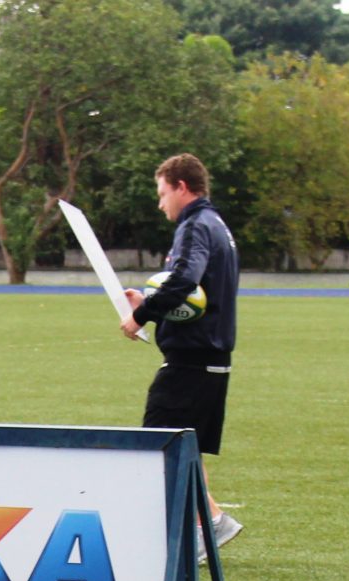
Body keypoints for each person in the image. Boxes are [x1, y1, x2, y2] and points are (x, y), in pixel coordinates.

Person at [119, 152, 241, 548]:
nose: (160, 203)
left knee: (161, 446)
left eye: (162, 193)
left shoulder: (194, 225)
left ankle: (196, 533)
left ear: (181, 187)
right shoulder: (216, 224)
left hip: (192, 360)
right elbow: (193, 293)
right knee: (185, 448)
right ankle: (210, 524)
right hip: (211, 359)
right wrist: (149, 300)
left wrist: (143, 315)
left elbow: (184, 280)